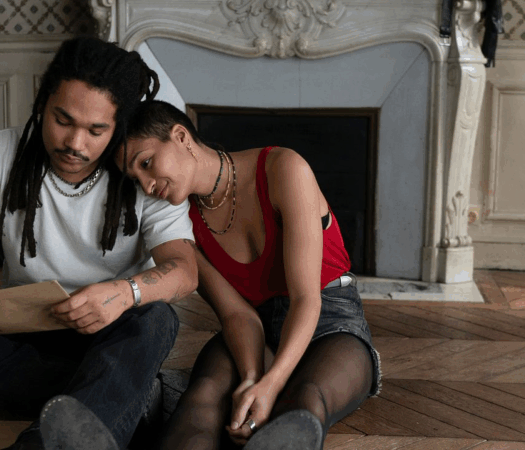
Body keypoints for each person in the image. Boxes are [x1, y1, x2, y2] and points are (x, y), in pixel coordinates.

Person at [0, 38, 198, 450]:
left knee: (155, 320)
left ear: (118, 126)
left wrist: (124, 293)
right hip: (23, 330)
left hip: (108, 329)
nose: (75, 143)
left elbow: (184, 269)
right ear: (42, 101)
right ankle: (117, 397)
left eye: (96, 130)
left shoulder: (142, 169)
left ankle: (49, 439)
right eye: (62, 120)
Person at [116, 100, 381, 450]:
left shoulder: (284, 168)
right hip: (252, 329)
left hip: (330, 322)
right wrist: (253, 378)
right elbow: (236, 314)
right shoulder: (179, 225)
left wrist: (271, 385)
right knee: (204, 397)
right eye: (137, 178)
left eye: (147, 163)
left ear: (180, 136)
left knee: (303, 402)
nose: (148, 185)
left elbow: (306, 299)